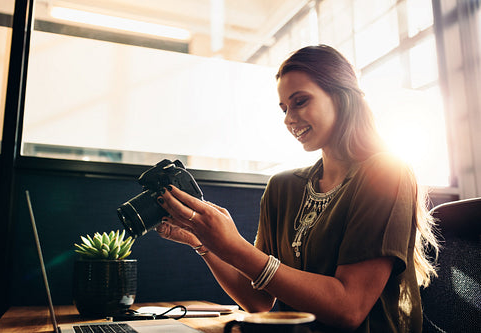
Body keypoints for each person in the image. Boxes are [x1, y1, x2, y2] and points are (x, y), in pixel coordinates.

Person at [155, 45, 439, 332]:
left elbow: (349, 308)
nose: (289, 119)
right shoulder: (282, 187)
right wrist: (205, 243)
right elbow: (259, 301)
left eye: (300, 101)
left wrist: (234, 246)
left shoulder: (386, 172)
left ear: (341, 97)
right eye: (284, 108)